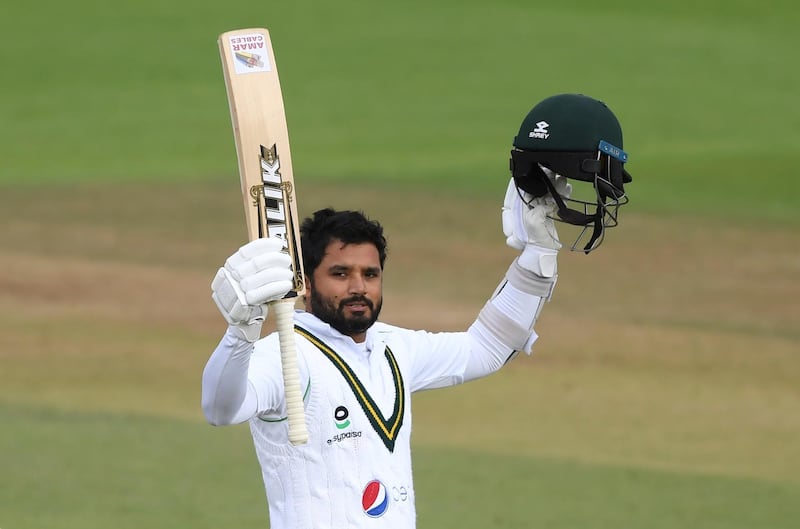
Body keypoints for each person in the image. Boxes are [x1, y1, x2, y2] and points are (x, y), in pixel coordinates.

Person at [201, 93, 632, 528]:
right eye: (340, 273)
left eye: (370, 274)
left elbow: (485, 348)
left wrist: (537, 254)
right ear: (306, 281)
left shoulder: (394, 350)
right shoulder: (287, 355)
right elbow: (220, 409)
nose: (358, 287)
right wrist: (240, 331)